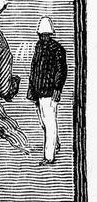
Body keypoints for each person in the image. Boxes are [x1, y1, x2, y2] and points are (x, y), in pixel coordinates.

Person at [28, 17, 67, 165]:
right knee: (44, 123)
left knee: (49, 123)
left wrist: (57, 88)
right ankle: (55, 144)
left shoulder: (58, 49)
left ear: (50, 34)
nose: (43, 37)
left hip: (50, 92)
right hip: (38, 91)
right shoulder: (38, 47)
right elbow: (34, 70)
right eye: (41, 34)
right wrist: (31, 92)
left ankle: (49, 157)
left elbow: (61, 71)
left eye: (45, 34)